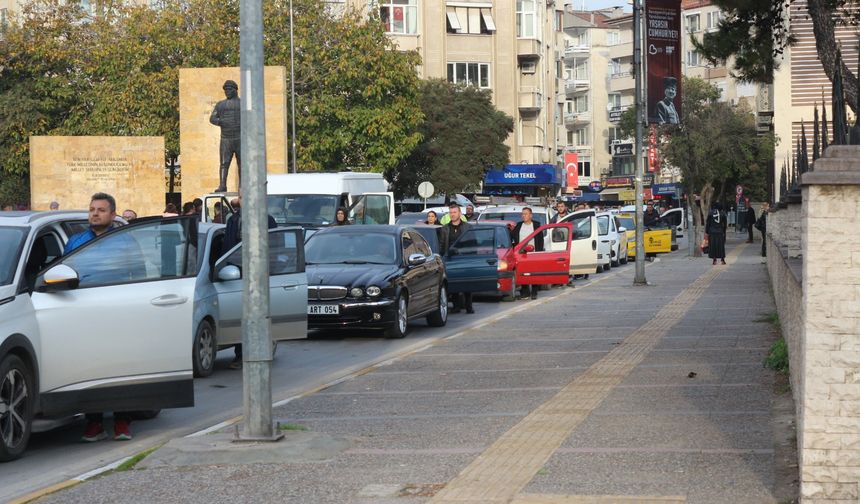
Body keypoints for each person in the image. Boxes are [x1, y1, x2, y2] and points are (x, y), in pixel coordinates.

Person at [62, 193, 133, 442]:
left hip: (117, 311)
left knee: (119, 367)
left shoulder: (126, 242)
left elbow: (138, 274)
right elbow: (64, 273)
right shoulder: (75, 242)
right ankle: (94, 423)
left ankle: (122, 422)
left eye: (101, 210)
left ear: (113, 215)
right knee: (92, 368)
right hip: (84, 313)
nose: (94, 213)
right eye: (92, 209)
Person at [222, 196, 278, 368]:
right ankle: (241, 354)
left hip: (261, 276)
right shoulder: (234, 220)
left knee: (261, 314)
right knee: (242, 316)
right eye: (240, 196)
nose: (243, 199)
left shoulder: (267, 220)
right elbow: (228, 248)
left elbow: (276, 246)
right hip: (240, 276)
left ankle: (263, 348)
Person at [210, 80, 242, 192]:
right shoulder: (220, 104)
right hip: (226, 138)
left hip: (240, 138)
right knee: (224, 163)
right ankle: (222, 185)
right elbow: (212, 118)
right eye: (225, 90)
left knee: (241, 164)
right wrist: (220, 121)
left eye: (229, 89)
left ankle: (242, 186)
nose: (227, 92)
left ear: (235, 90)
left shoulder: (243, 103)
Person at [444, 203, 474, 314]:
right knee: (453, 283)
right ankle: (456, 306)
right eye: (450, 212)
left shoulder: (468, 227)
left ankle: (469, 306)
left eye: (454, 212)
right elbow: (442, 244)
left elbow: (473, 244)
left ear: (460, 213)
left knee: (467, 283)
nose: (452, 214)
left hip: (465, 258)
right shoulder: (445, 228)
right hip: (451, 260)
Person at [511, 207, 544, 300]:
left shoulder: (537, 225)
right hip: (521, 255)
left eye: (525, 214)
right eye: (522, 214)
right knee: (523, 273)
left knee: (534, 273)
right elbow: (512, 237)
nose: (523, 215)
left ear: (531, 215)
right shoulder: (519, 225)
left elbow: (540, 241)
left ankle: (534, 292)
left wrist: (539, 253)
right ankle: (525, 292)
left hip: (533, 254)